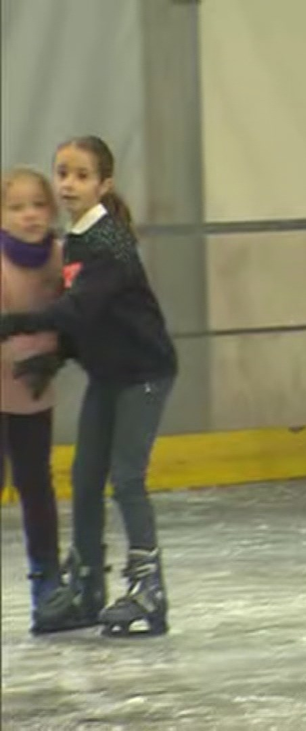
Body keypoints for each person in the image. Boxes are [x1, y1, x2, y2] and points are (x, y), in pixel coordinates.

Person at [0, 136, 178, 636]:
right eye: (62, 173)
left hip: (144, 373)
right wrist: (54, 359)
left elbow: (81, 310)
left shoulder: (110, 240)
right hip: (108, 374)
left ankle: (149, 590)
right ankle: (86, 588)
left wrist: (13, 325)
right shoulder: (76, 238)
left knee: (125, 478)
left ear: (104, 184)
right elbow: (89, 325)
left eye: (80, 175)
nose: (68, 184)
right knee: (84, 478)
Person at [0, 167, 65, 633]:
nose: (29, 215)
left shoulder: (61, 258)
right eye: (17, 206)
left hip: (34, 392)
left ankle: (47, 580)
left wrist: (52, 358)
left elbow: (74, 317)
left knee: (35, 485)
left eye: (38, 205)